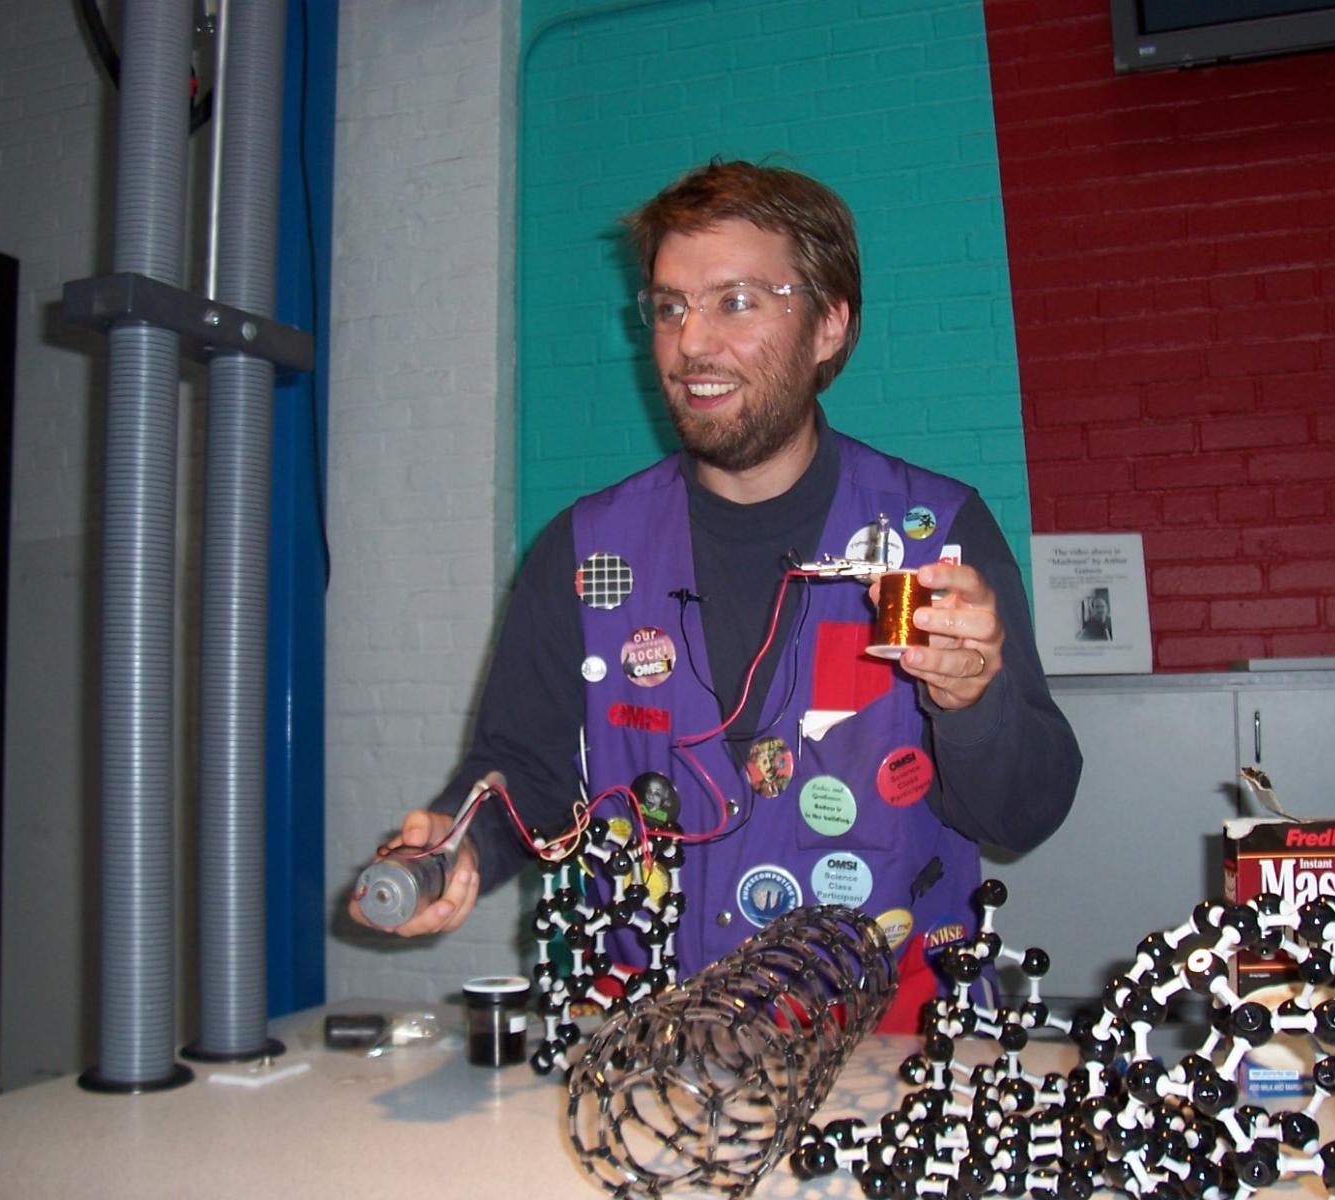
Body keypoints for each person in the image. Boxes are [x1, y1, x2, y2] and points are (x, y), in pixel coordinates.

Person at [350, 160, 1082, 1030]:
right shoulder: (583, 552)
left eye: (735, 301)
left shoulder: (936, 533)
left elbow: (1024, 813)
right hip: (646, 1049)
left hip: (886, 1049)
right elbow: (529, 779)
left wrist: (974, 703)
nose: (691, 342)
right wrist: (457, 846)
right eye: (669, 306)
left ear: (828, 325)